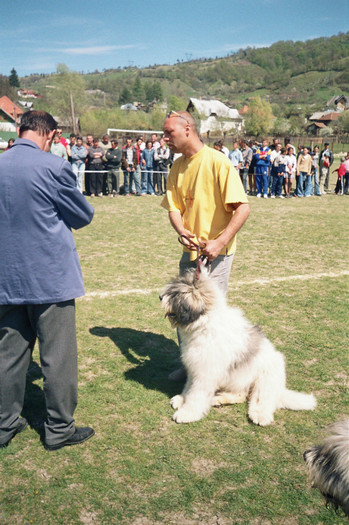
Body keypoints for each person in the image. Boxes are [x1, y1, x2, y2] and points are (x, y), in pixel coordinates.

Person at [0, 110, 95, 450]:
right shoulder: (53, 166)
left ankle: (4, 423)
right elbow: (82, 215)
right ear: (51, 136)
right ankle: (59, 428)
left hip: (6, 277)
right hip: (50, 277)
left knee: (9, 354)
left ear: (19, 130)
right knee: (58, 356)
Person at [161, 111, 249, 379]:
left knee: (209, 318)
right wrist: (182, 230)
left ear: (187, 129)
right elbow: (173, 207)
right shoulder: (177, 166)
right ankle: (191, 369)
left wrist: (219, 241)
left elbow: (243, 208)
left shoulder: (217, 162)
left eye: (169, 133)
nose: (165, 139)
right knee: (181, 310)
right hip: (190, 254)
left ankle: (212, 375)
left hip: (217, 255)